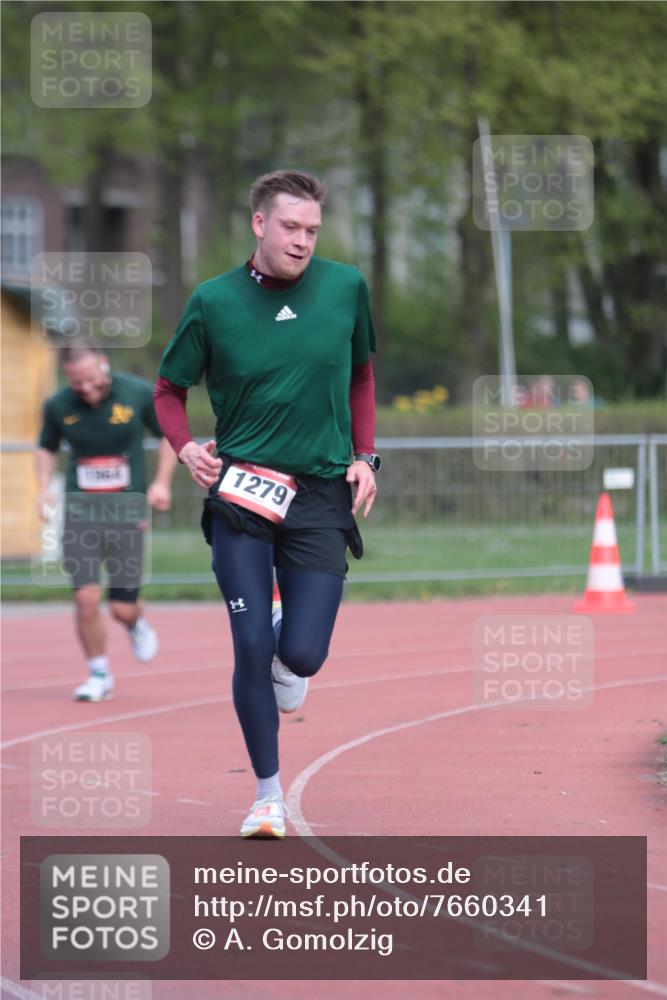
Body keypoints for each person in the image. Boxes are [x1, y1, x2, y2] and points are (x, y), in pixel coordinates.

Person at [154, 169, 379, 839]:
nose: (302, 241)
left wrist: (365, 457)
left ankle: (289, 653)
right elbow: (168, 390)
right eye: (289, 227)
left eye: (311, 230)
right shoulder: (213, 301)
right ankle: (267, 796)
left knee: (302, 654)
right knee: (249, 645)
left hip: (318, 493)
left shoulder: (344, 288)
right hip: (241, 494)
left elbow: (362, 375)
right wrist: (185, 448)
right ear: (259, 224)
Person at [36, 344, 178, 702]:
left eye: (88, 379)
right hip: (81, 512)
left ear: (103, 364)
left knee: (121, 607)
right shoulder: (58, 405)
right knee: (85, 597)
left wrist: (160, 483)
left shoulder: (136, 393)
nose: (84, 388)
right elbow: (46, 448)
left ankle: (135, 622)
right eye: (75, 382)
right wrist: (43, 489)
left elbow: (169, 437)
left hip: (127, 511)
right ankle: (98, 673)